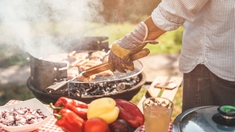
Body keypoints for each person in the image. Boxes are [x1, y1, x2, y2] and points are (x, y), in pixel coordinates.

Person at [108, 0, 235, 112]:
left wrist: (130, 41)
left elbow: (177, 6)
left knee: (202, 125)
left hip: (211, 64)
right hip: (227, 62)